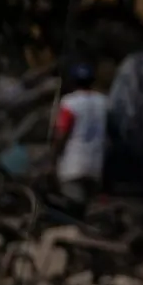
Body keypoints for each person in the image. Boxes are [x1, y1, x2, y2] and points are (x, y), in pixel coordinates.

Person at [53, 64, 109, 212]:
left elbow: (62, 133)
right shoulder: (103, 102)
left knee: (73, 209)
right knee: (89, 209)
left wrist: (53, 157)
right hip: (95, 165)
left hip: (72, 166)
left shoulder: (69, 102)